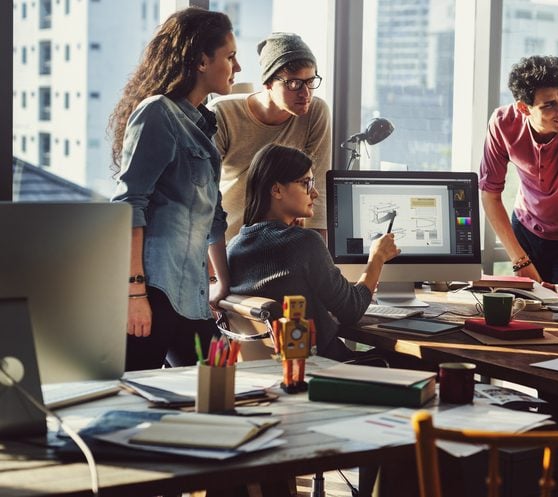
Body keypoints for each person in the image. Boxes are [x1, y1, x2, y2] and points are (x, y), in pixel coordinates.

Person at [109, 8, 240, 372]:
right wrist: (134, 293)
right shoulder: (158, 114)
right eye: (230, 57)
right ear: (201, 60)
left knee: (221, 385)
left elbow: (214, 219)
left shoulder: (203, 125)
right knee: (132, 403)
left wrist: (222, 285)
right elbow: (129, 204)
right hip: (154, 293)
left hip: (193, 298)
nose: (237, 68)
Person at [226, 143, 399, 360]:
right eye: (306, 183)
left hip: (275, 374)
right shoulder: (303, 243)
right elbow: (352, 311)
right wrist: (377, 257)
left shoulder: (234, 246)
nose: (315, 193)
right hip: (327, 371)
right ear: (276, 190)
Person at [479, 55, 558, 297]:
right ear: (524, 108)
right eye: (549, 104)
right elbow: (490, 195)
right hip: (527, 229)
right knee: (525, 313)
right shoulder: (502, 123)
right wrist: (520, 261)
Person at [210, 32, 331, 241]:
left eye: (310, 81)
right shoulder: (223, 114)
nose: (306, 93)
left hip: (281, 245)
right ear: (267, 83)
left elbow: (317, 189)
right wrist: (215, 264)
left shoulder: (316, 112)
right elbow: (206, 196)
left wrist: (318, 259)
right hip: (228, 242)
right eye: (294, 84)